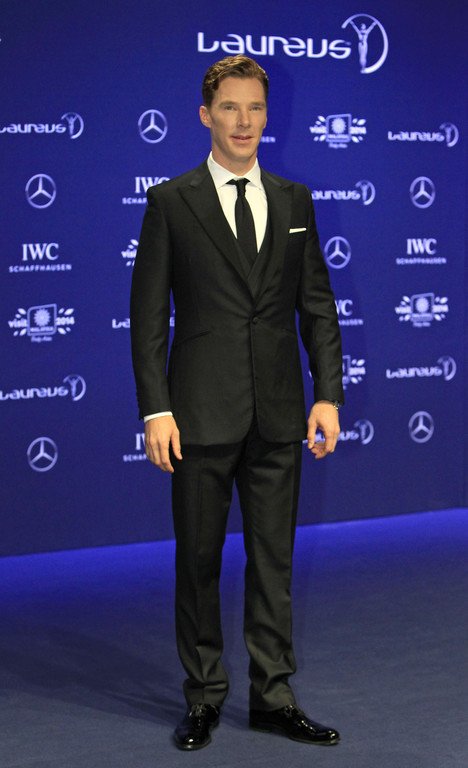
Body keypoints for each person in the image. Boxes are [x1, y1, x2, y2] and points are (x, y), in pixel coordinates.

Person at [130, 55, 344, 751]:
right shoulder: (171, 202)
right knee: (198, 561)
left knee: (273, 562)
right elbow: (147, 319)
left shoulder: (295, 200)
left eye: (255, 108)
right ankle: (203, 696)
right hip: (197, 415)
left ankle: (274, 696)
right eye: (230, 107)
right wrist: (156, 409)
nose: (244, 121)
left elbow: (317, 305)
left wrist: (328, 394)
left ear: (266, 115)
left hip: (279, 413)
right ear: (206, 115)